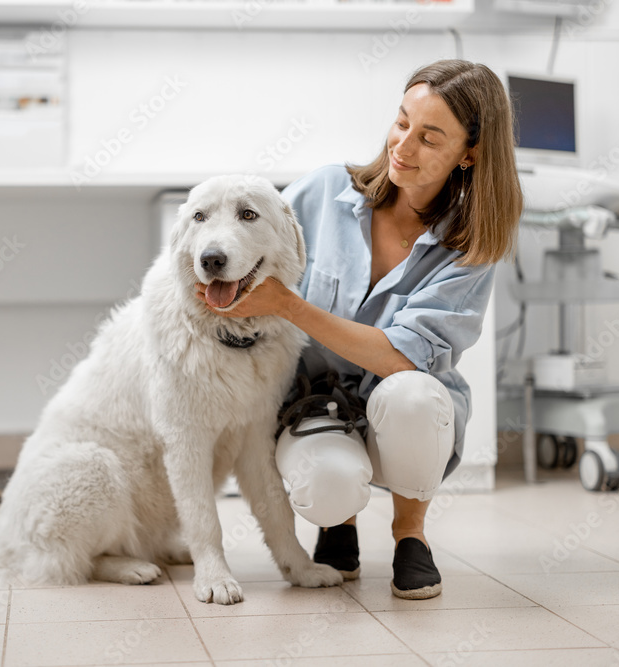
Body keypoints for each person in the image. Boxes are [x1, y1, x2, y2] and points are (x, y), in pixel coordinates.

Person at [197, 59, 522, 599]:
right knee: (328, 488)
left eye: (428, 138)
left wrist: (289, 305)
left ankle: (409, 534)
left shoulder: (470, 248)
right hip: (313, 404)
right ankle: (337, 521)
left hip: (403, 411)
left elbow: (401, 358)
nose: (403, 146)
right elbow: (250, 247)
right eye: (401, 123)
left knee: (414, 392)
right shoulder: (323, 194)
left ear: (470, 154)